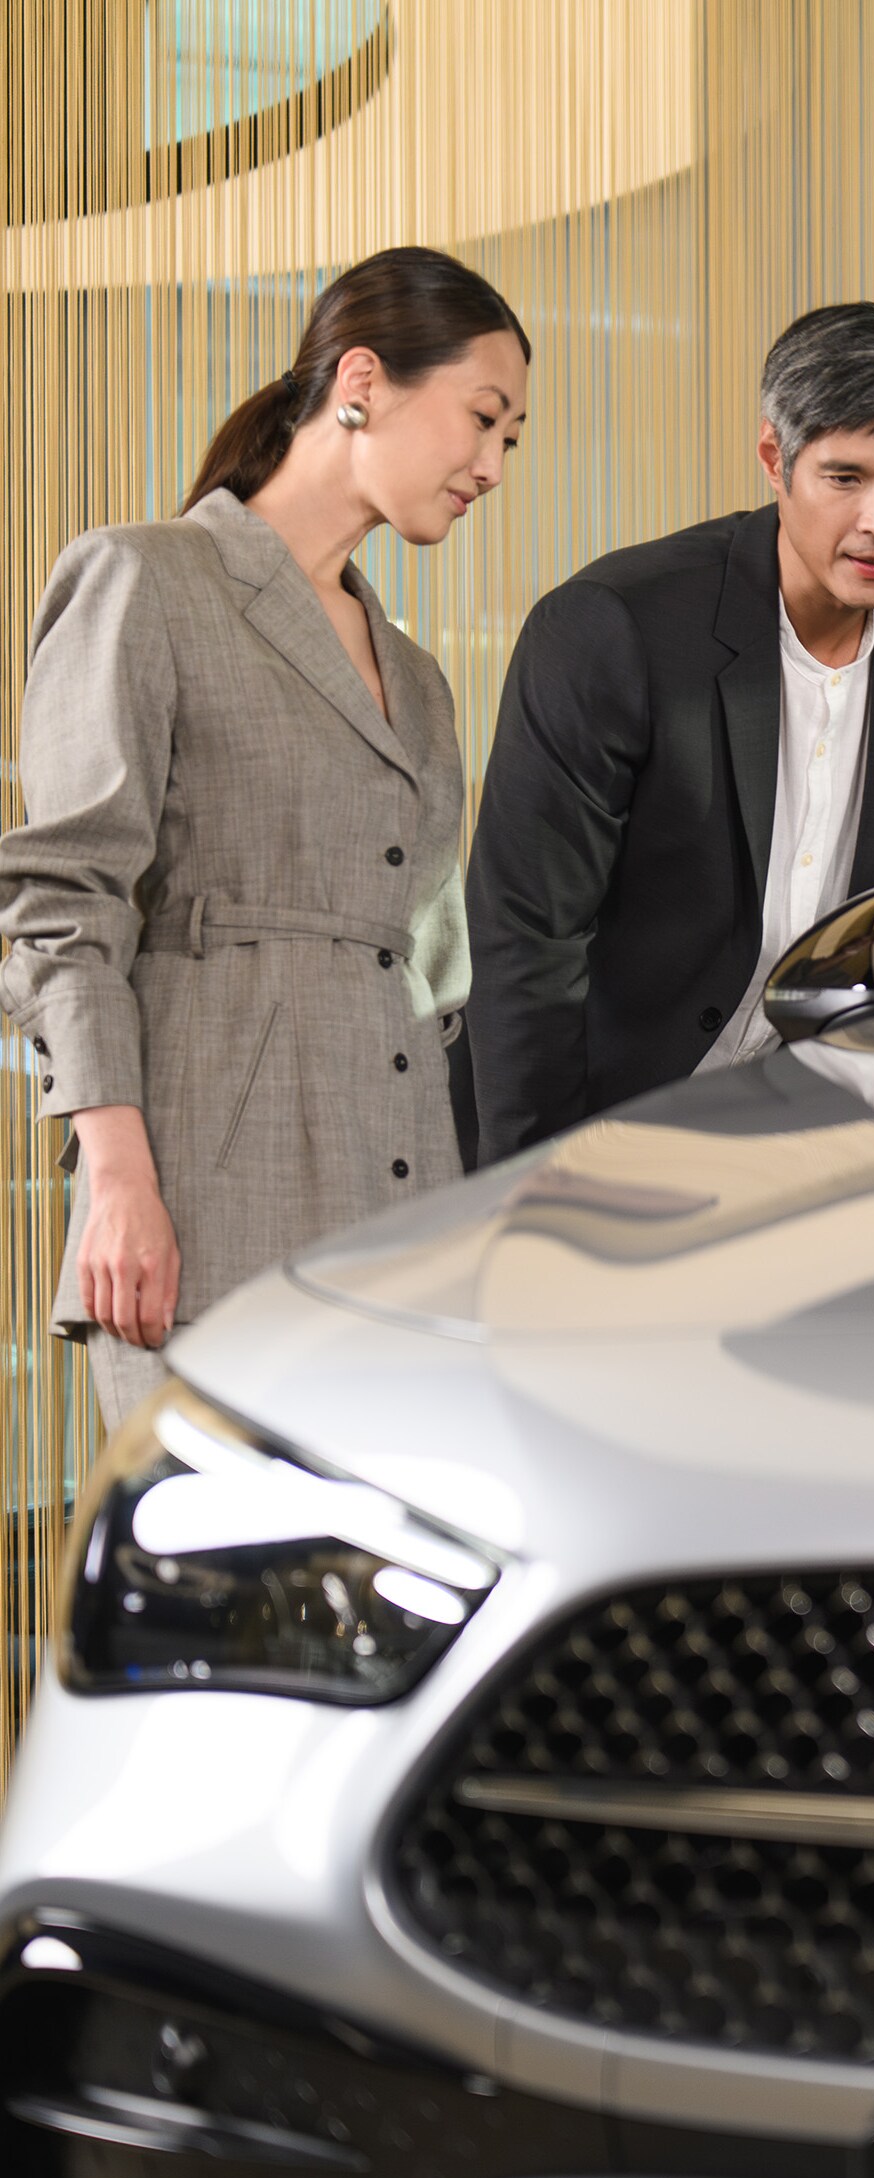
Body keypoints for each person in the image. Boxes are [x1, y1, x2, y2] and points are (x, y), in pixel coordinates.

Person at [0, 246, 529, 1426]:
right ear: (361, 381)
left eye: (512, 439)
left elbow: (434, 965)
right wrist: (117, 1183)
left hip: (400, 1208)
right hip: (203, 1195)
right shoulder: (148, 579)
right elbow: (61, 904)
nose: (493, 465)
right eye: (482, 419)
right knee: (223, 1595)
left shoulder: (422, 680)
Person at [461, 299, 874, 1166]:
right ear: (772, 461)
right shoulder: (613, 630)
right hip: (593, 1126)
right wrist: (534, 1191)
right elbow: (526, 942)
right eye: (844, 477)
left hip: (800, 1138)